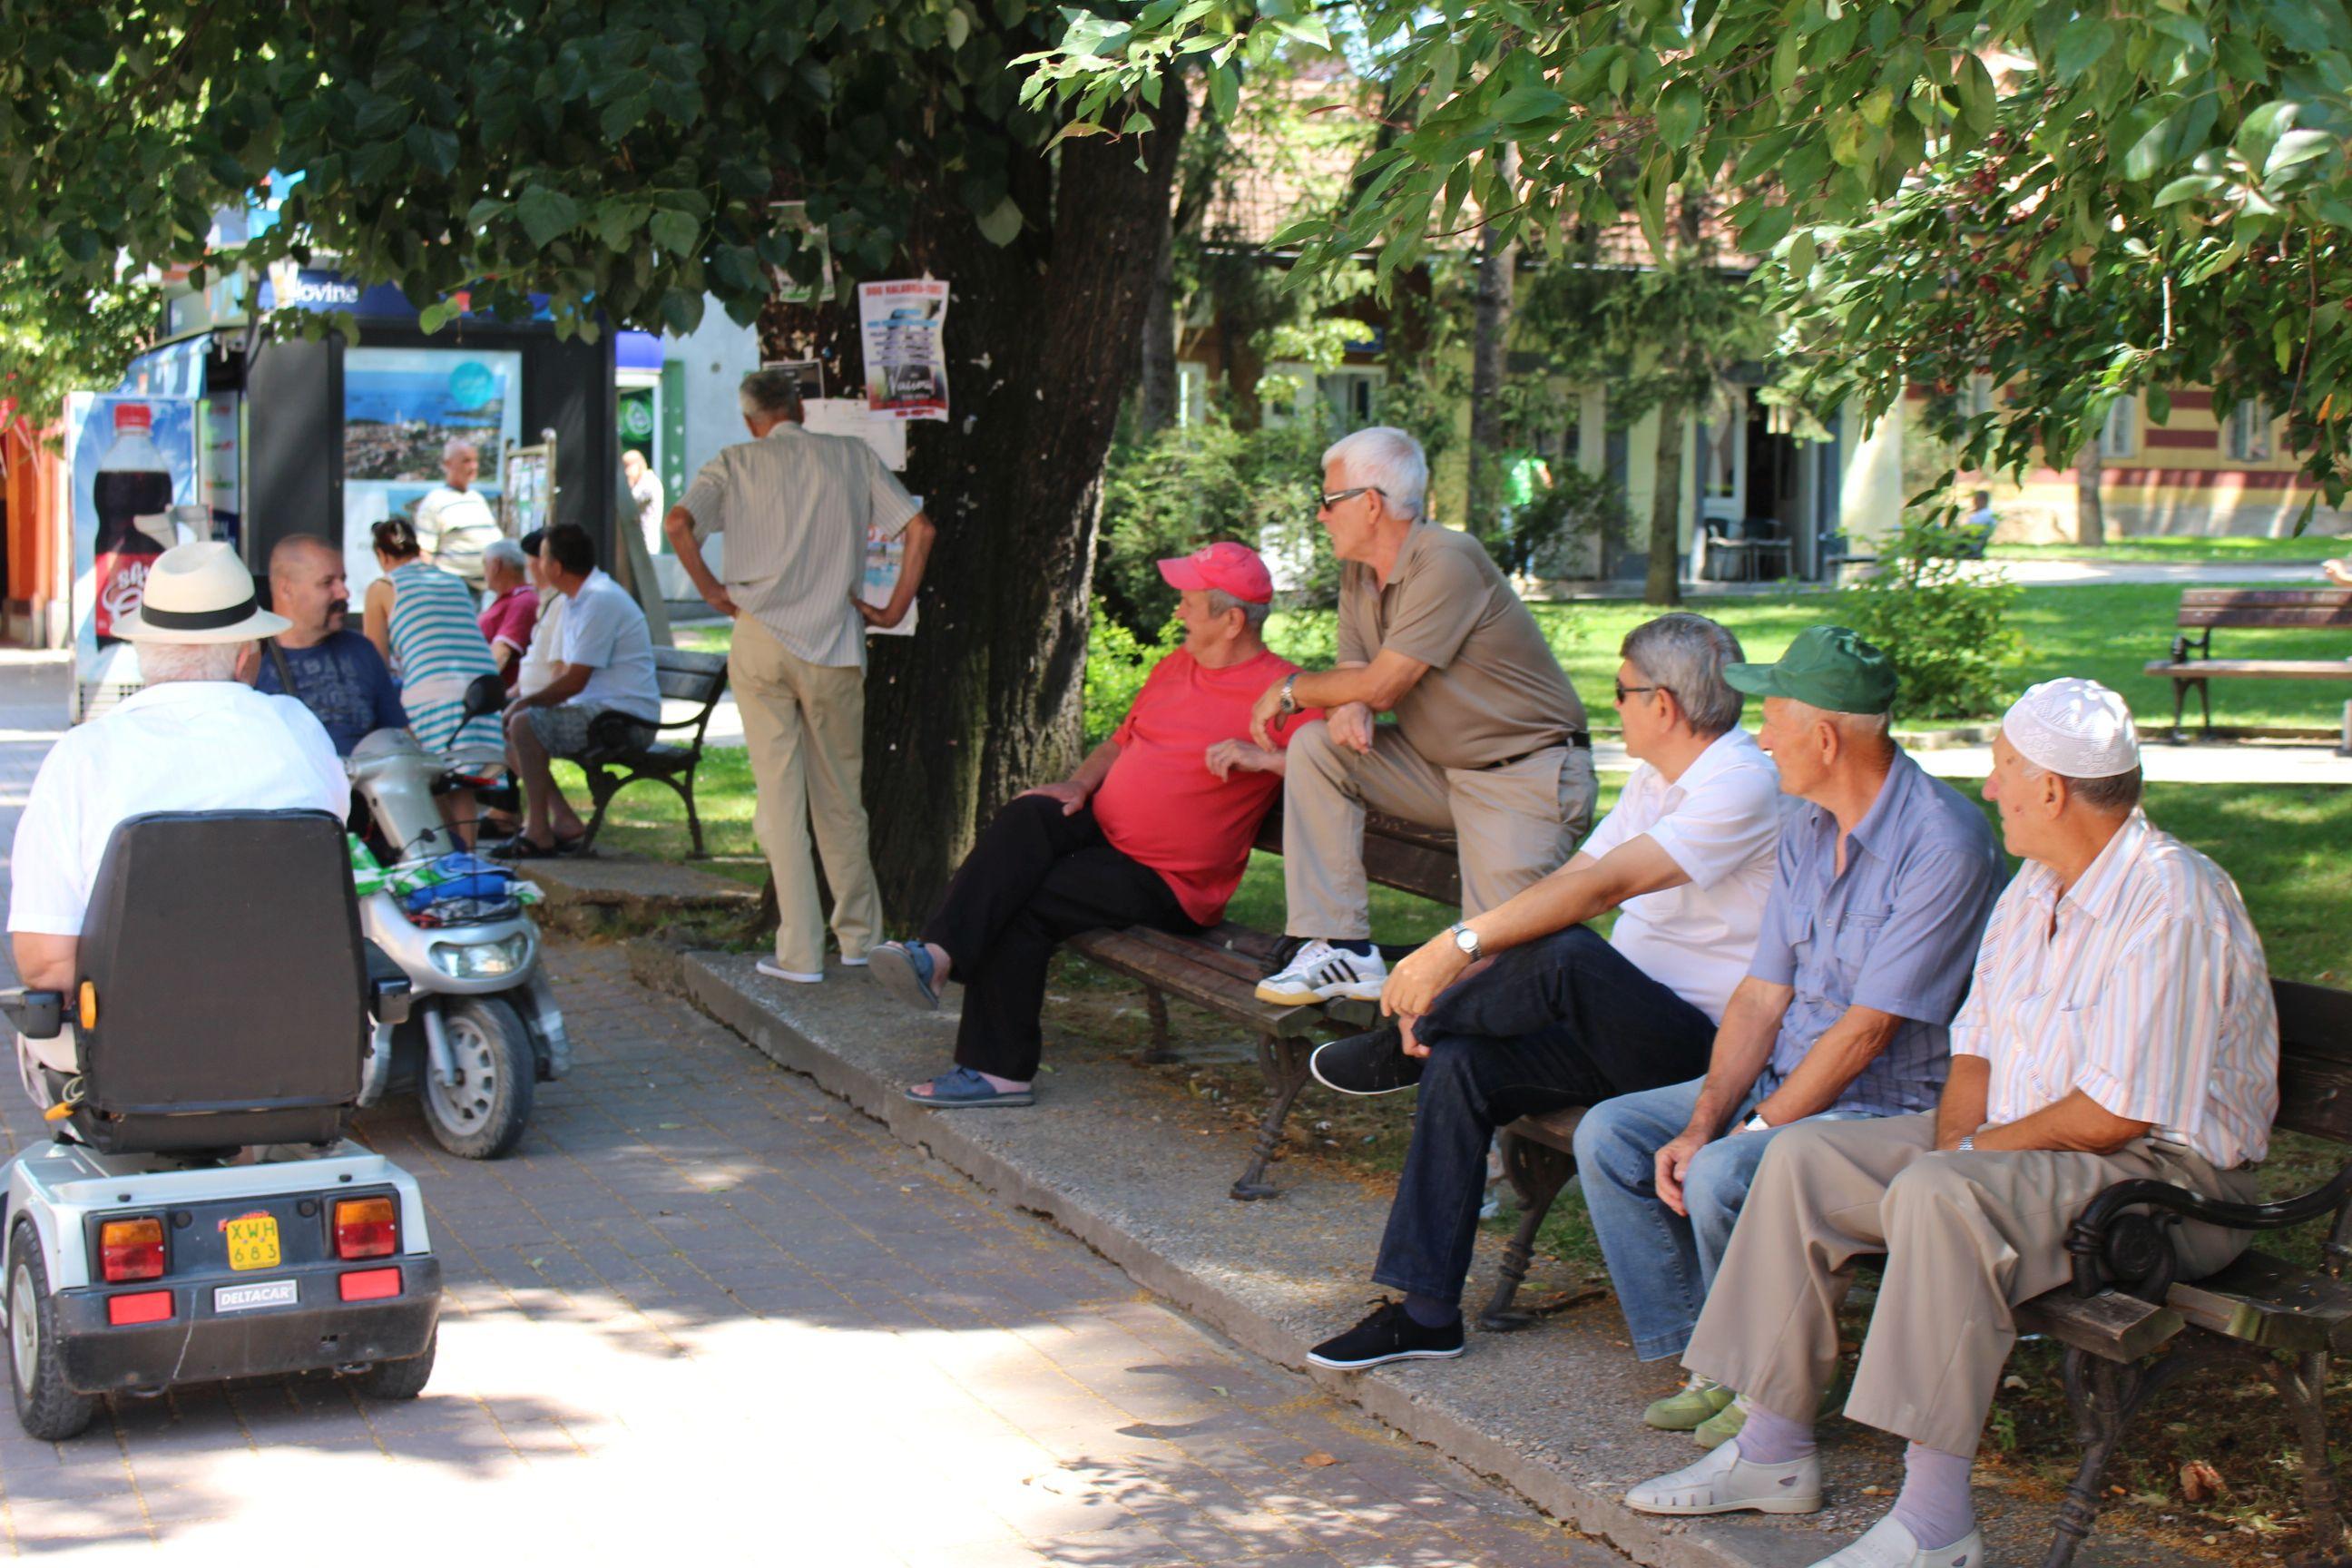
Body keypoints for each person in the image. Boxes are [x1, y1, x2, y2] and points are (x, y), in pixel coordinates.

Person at [1623, 678, 2277, 1568]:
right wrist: (1955, 1146)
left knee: (1941, 1194)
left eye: (2006, 769)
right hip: (2043, 1145)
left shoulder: (2173, 897)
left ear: (2052, 790)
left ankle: (1935, 1525)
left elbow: (2114, 1111)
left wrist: (1961, 1162)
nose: (1991, 786)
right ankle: (1773, 1451)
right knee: (1800, 1161)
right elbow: (1975, 1052)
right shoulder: (2033, 889)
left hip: (2168, 1181)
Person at [1302, 613, 1785, 1370]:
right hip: (1616, 1031)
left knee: (1564, 954)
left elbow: (1607, 886)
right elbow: (1569, 877)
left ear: (1663, 704)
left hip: (1704, 1053)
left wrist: (1452, 948)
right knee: (1461, 1062)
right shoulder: (1663, 780)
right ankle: (1426, 1312)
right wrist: (1468, 961)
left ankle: (1408, 1037)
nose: (1612, 708)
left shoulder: (1742, 782)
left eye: (1621, 693)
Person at [1575, 625, 2004, 1446]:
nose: (1759, 734)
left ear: (1826, 735)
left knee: (1728, 1169)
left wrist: (1752, 1130)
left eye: (1771, 716)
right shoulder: (1806, 822)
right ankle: (1713, 1354)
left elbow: (1868, 1032)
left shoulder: (1942, 843)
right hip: (1790, 1079)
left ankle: (1765, 1378)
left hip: (1888, 1109)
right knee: (1615, 1135)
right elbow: (1762, 993)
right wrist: (1705, 1119)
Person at [868, 544, 1311, 1108]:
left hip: (1169, 879)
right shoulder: (1176, 667)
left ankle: (997, 1071)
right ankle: (936, 955)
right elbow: (1122, 741)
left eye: (1189, 604)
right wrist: (1080, 784)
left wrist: (1264, 759)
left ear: (1230, 621)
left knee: (1024, 903)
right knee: (1031, 811)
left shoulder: (1286, 692)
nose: (1177, 613)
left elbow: (1345, 767)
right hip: (1104, 831)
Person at [1247, 426, 1596, 1007]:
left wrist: (1293, 688)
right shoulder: (1360, 573)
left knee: (1494, 975)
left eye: (1329, 501)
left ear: (1371, 504)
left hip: (1522, 776)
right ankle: (1343, 946)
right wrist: (1347, 700)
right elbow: (1358, 669)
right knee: (1318, 747)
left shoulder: (1448, 559)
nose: (1320, 514)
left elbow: (1385, 683)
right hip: (1440, 769)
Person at [10, 542, 348, 1100]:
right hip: (294, 1047)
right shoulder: (300, 731)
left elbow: (45, 966)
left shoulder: (82, 755)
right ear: (246, 654)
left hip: (133, 1061)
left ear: (145, 653)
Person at [664, 367, 937, 984]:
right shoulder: (851, 456)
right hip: (835, 640)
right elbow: (920, 529)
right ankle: (861, 939)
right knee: (842, 797)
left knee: (780, 800)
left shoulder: (734, 462)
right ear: (801, 410)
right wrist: (892, 608)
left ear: (749, 420)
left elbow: (678, 523)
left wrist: (709, 588)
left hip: (760, 635)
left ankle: (800, 953)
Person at [495, 524, 662, 858]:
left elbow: (575, 681)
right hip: (598, 711)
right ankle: (563, 821)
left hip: (624, 719)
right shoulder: (577, 600)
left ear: (555, 566)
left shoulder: (599, 600)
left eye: (540, 558)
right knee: (508, 729)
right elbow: (565, 674)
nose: (536, 566)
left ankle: (538, 831)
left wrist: (525, 703)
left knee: (524, 724)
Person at [252, 534, 407, 757]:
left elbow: (399, 739)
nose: (344, 593)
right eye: (327, 583)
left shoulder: (361, 651)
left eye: (342, 580)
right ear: (287, 589)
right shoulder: (251, 659)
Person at [360, 518, 503, 754]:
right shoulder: (454, 582)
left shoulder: (383, 587)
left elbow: (376, 664)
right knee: (466, 782)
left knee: (434, 781)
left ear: (382, 555)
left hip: (434, 697)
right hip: (486, 690)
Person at [411, 437, 503, 588]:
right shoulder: (435, 502)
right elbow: (425, 554)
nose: (473, 466)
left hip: (487, 589)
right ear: (448, 464)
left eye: (475, 460)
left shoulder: (476, 498)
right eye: (466, 461)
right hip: (454, 591)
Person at [510, 527, 567, 701]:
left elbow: (560, 669)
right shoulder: (546, 601)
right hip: (527, 700)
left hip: (542, 708)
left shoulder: (563, 603)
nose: (527, 565)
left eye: (531, 559)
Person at [477, 538, 539, 692]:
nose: (483, 572)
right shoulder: (510, 599)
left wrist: (474, 691)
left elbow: (501, 654)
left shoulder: (523, 601)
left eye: (485, 565)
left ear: (496, 565)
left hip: (499, 696)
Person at [623, 449, 665, 559]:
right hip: (635, 545)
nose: (624, 472)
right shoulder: (642, 483)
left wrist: (628, 481)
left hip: (646, 545)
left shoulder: (649, 483)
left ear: (637, 465)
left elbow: (628, 505)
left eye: (626, 467)